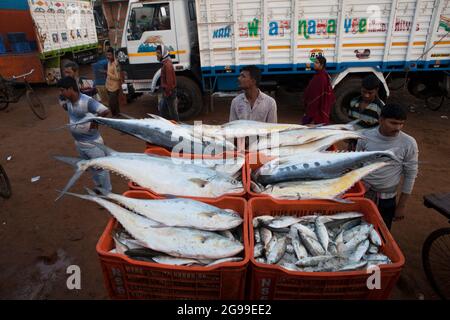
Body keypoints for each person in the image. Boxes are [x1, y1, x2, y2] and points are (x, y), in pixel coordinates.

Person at [356, 103, 419, 230]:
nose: (398, 128)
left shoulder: (409, 143)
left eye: (401, 124)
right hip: (363, 194)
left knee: (382, 232)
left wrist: (401, 206)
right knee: (357, 229)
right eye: (393, 123)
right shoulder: (365, 136)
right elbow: (357, 165)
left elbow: (411, 174)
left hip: (388, 199)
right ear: (381, 120)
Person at [57, 76, 112, 194]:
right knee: (91, 168)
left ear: (70, 88)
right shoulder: (69, 102)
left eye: (62, 90)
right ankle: (99, 188)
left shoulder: (87, 101)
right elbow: (64, 106)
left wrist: (95, 121)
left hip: (93, 144)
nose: (61, 93)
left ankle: (107, 193)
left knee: (100, 169)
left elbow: (105, 111)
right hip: (79, 143)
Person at [302, 56, 335, 125]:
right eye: (314, 62)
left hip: (316, 107)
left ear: (322, 65)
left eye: (316, 62)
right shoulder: (318, 75)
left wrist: (310, 102)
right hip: (313, 106)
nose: (314, 64)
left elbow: (318, 95)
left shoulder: (322, 77)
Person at [156, 44, 179, 121]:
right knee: (164, 111)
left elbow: (170, 83)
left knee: (172, 113)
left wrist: (167, 93)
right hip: (167, 92)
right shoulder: (165, 63)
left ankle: (177, 128)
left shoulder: (167, 65)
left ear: (163, 53)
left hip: (169, 93)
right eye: (157, 53)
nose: (157, 55)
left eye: (159, 53)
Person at [105, 47, 121, 116]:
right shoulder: (109, 62)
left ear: (113, 55)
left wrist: (107, 73)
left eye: (110, 55)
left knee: (112, 103)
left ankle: (115, 115)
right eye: (107, 55)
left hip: (114, 87)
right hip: (108, 86)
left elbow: (118, 77)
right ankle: (117, 114)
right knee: (114, 102)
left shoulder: (116, 64)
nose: (108, 57)